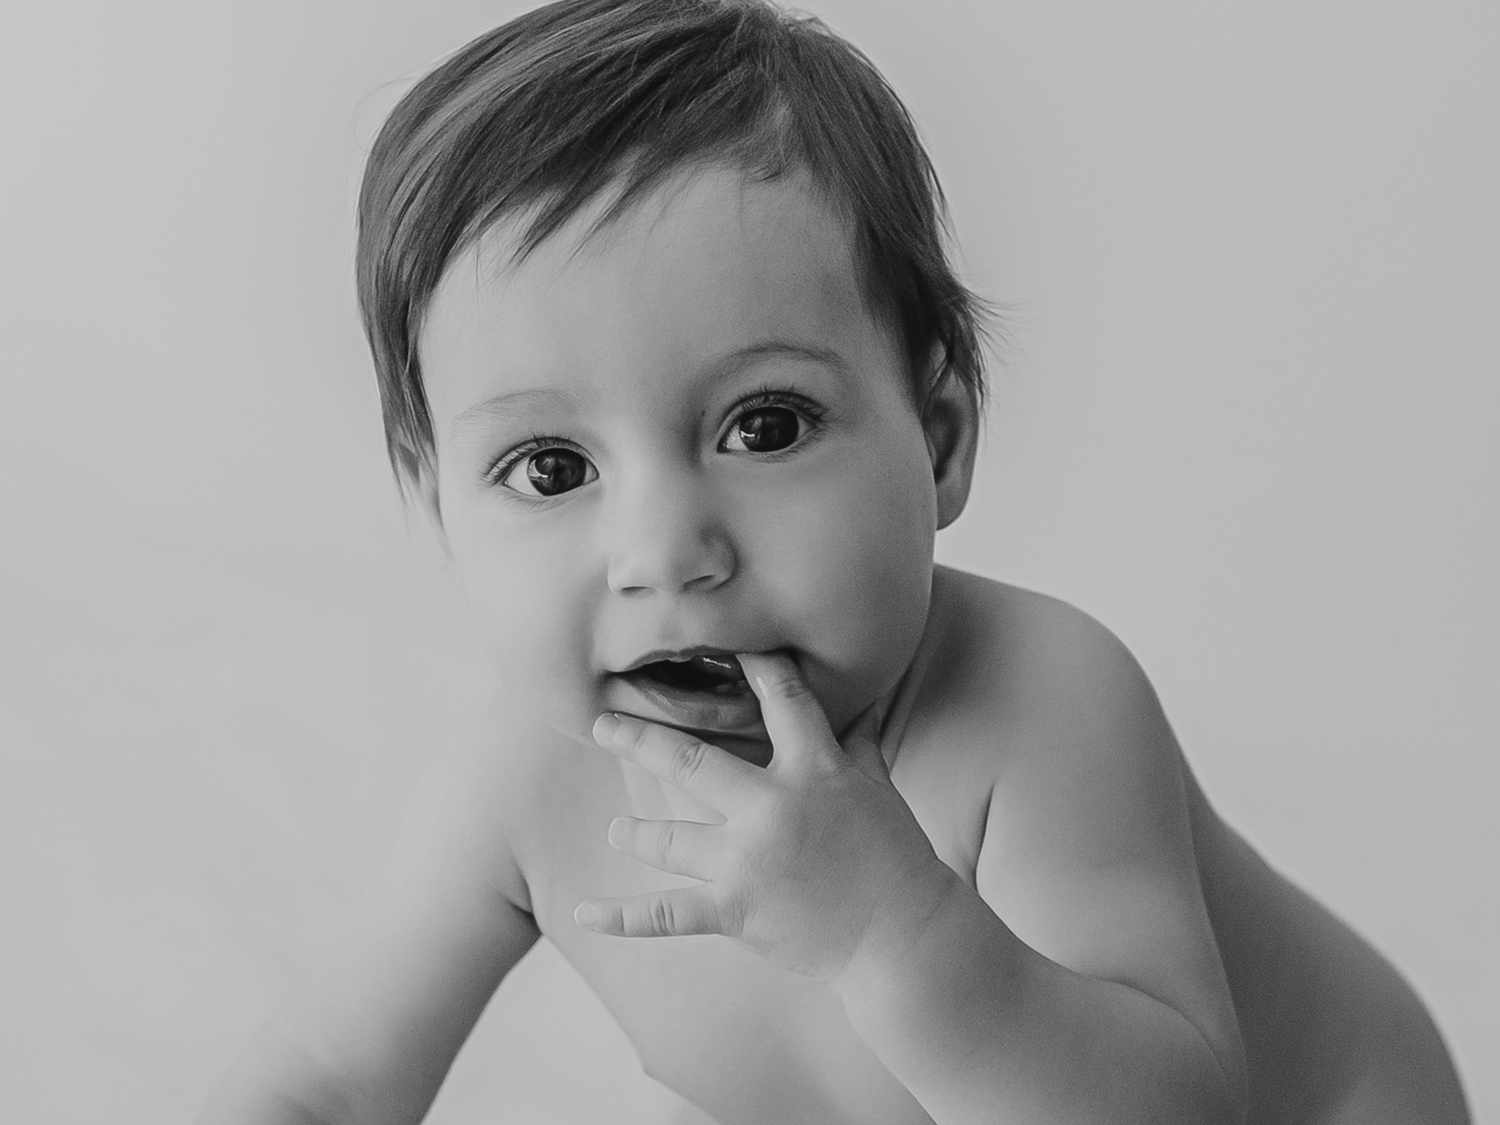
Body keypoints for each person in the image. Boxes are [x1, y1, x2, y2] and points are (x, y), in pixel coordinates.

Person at [198, 1, 1471, 1121]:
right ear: (435, 509)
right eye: (549, 468)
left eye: (764, 426)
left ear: (941, 439)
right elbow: (332, 1075)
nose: (664, 551)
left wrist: (892, 930)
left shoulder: (1037, 711)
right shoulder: (521, 780)